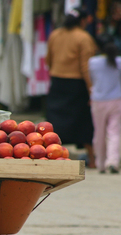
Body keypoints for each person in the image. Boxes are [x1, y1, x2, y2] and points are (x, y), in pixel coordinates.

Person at [45, 7, 97, 168]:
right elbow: (85, 67)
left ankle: (50, 155)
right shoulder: (84, 37)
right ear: (82, 21)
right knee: (84, 123)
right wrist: (91, 90)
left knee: (55, 122)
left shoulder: (55, 34)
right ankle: (93, 159)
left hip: (57, 82)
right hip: (77, 85)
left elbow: (49, 60)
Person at [88, 34, 121, 174]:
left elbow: (92, 79)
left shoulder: (93, 62)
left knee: (99, 133)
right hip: (117, 100)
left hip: (98, 100)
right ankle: (113, 161)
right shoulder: (119, 61)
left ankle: (100, 163)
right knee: (114, 132)